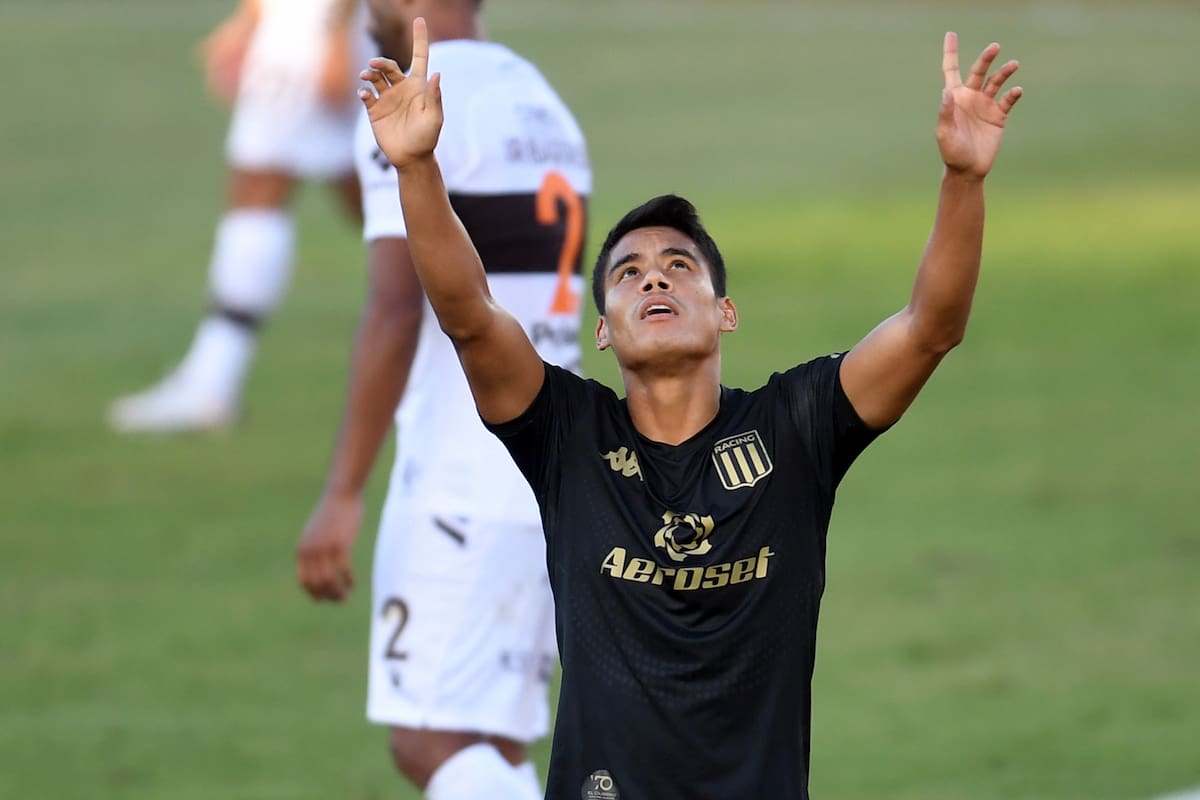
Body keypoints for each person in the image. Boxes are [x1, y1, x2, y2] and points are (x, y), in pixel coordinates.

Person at [359, 19, 1022, 799]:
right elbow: (469, 314)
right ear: (601, 330)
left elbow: (929, 328)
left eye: (680, 265)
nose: (654, 281)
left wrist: (964, 181)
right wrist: (417, 170)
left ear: (725, 312)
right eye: (630, 273)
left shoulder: (794, 429)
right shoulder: (566, 437)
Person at [296, 2, 591, 799]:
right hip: (556, 464)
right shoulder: (542, 102)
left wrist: (342, 492)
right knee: (493, 742)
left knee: (426, 741)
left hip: (465, 475)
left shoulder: (409, 100)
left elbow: (395, 309)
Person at [110, 0, 371, 432]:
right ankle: (211, 381)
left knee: (383, 200)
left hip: (315, 38)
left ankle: (481, 311)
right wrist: (252, 19)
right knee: (265, 191)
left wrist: (337, 34)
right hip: (296, 34)